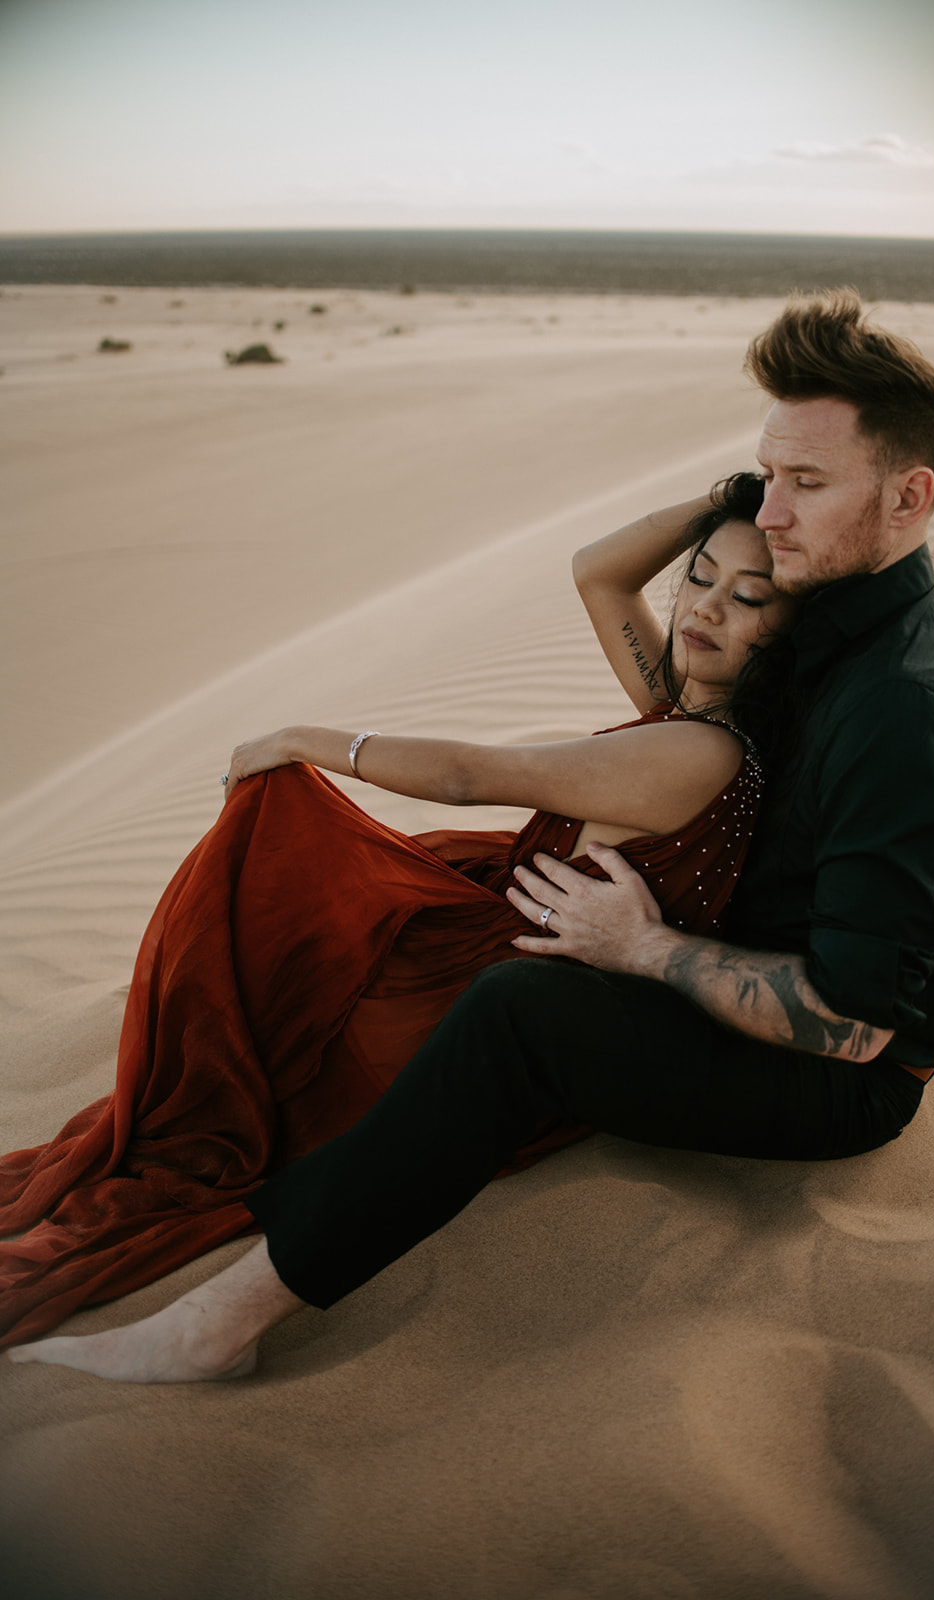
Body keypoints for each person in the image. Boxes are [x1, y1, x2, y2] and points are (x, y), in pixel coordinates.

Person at [8, 288, 934, 1388]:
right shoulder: (822, 605)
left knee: (518, 1012)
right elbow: (622, 585)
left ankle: (223, 1321)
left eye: (806, 484)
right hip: (738, 951)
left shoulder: (909, 708)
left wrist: (648, 952)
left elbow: (860, 1029)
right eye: (765, 474)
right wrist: (738, 496)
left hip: (834, 1082)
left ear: (910, 497)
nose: (771, 516)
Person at [0, 473, 796, 1351]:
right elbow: (597, 572)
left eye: (749, 596)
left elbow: (468, 775)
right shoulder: (684, 707)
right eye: (702, 575)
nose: (708, 608)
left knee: (283, 841)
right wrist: (745, 496)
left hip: (479, 999)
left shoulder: (696, 748)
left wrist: (307, 740)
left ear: (791, 630)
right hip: (498, 947)